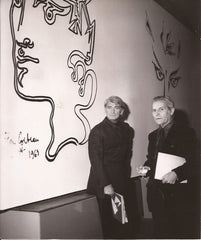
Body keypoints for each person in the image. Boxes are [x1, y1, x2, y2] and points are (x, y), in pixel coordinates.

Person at [137, 96, 198, 239]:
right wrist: (146, 169)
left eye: (161, 109)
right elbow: (152, 160)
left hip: (178, 197)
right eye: (154, 110)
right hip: (157, 196)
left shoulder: (186, 133)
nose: (156, 114)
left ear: (171, 111)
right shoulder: (152, 136)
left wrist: (177, 173)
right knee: (161, 233)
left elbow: (196, 161)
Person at [86, 96, 134, 239]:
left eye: (116, 107)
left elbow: (126, 156)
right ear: (105, 109)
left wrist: (125, 178)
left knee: (122, 220)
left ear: (122, 111)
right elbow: (95, 161)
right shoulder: (97, 131)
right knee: (109, 223)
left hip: (121, 180)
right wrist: (106, 185)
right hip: (104, 182)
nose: (113, 111)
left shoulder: (127, 129)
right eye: (109, 107)